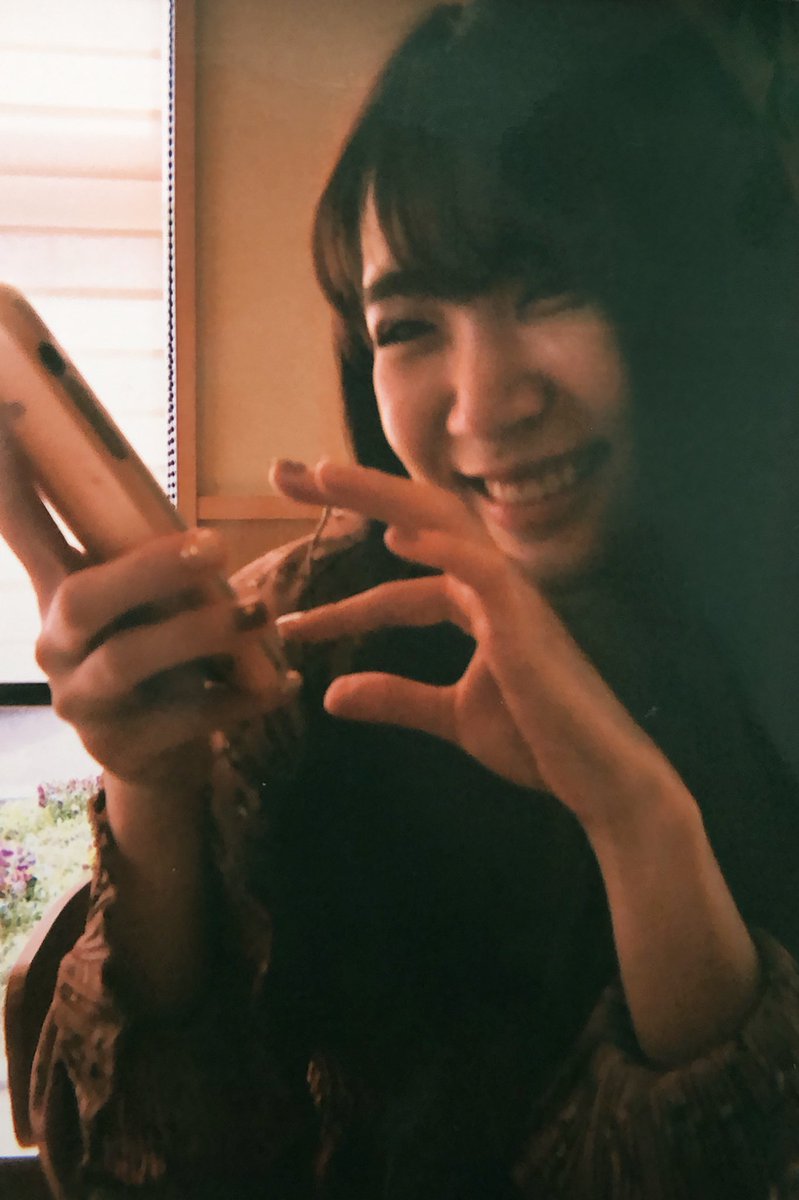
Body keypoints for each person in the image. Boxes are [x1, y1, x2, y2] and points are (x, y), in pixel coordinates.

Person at [2, 2, 799, 1196]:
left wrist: (640, 821)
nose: (482, 405)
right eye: (410, 324)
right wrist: (154, 791)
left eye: (551, 288)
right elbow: (157, 1172)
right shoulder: (307, 642)